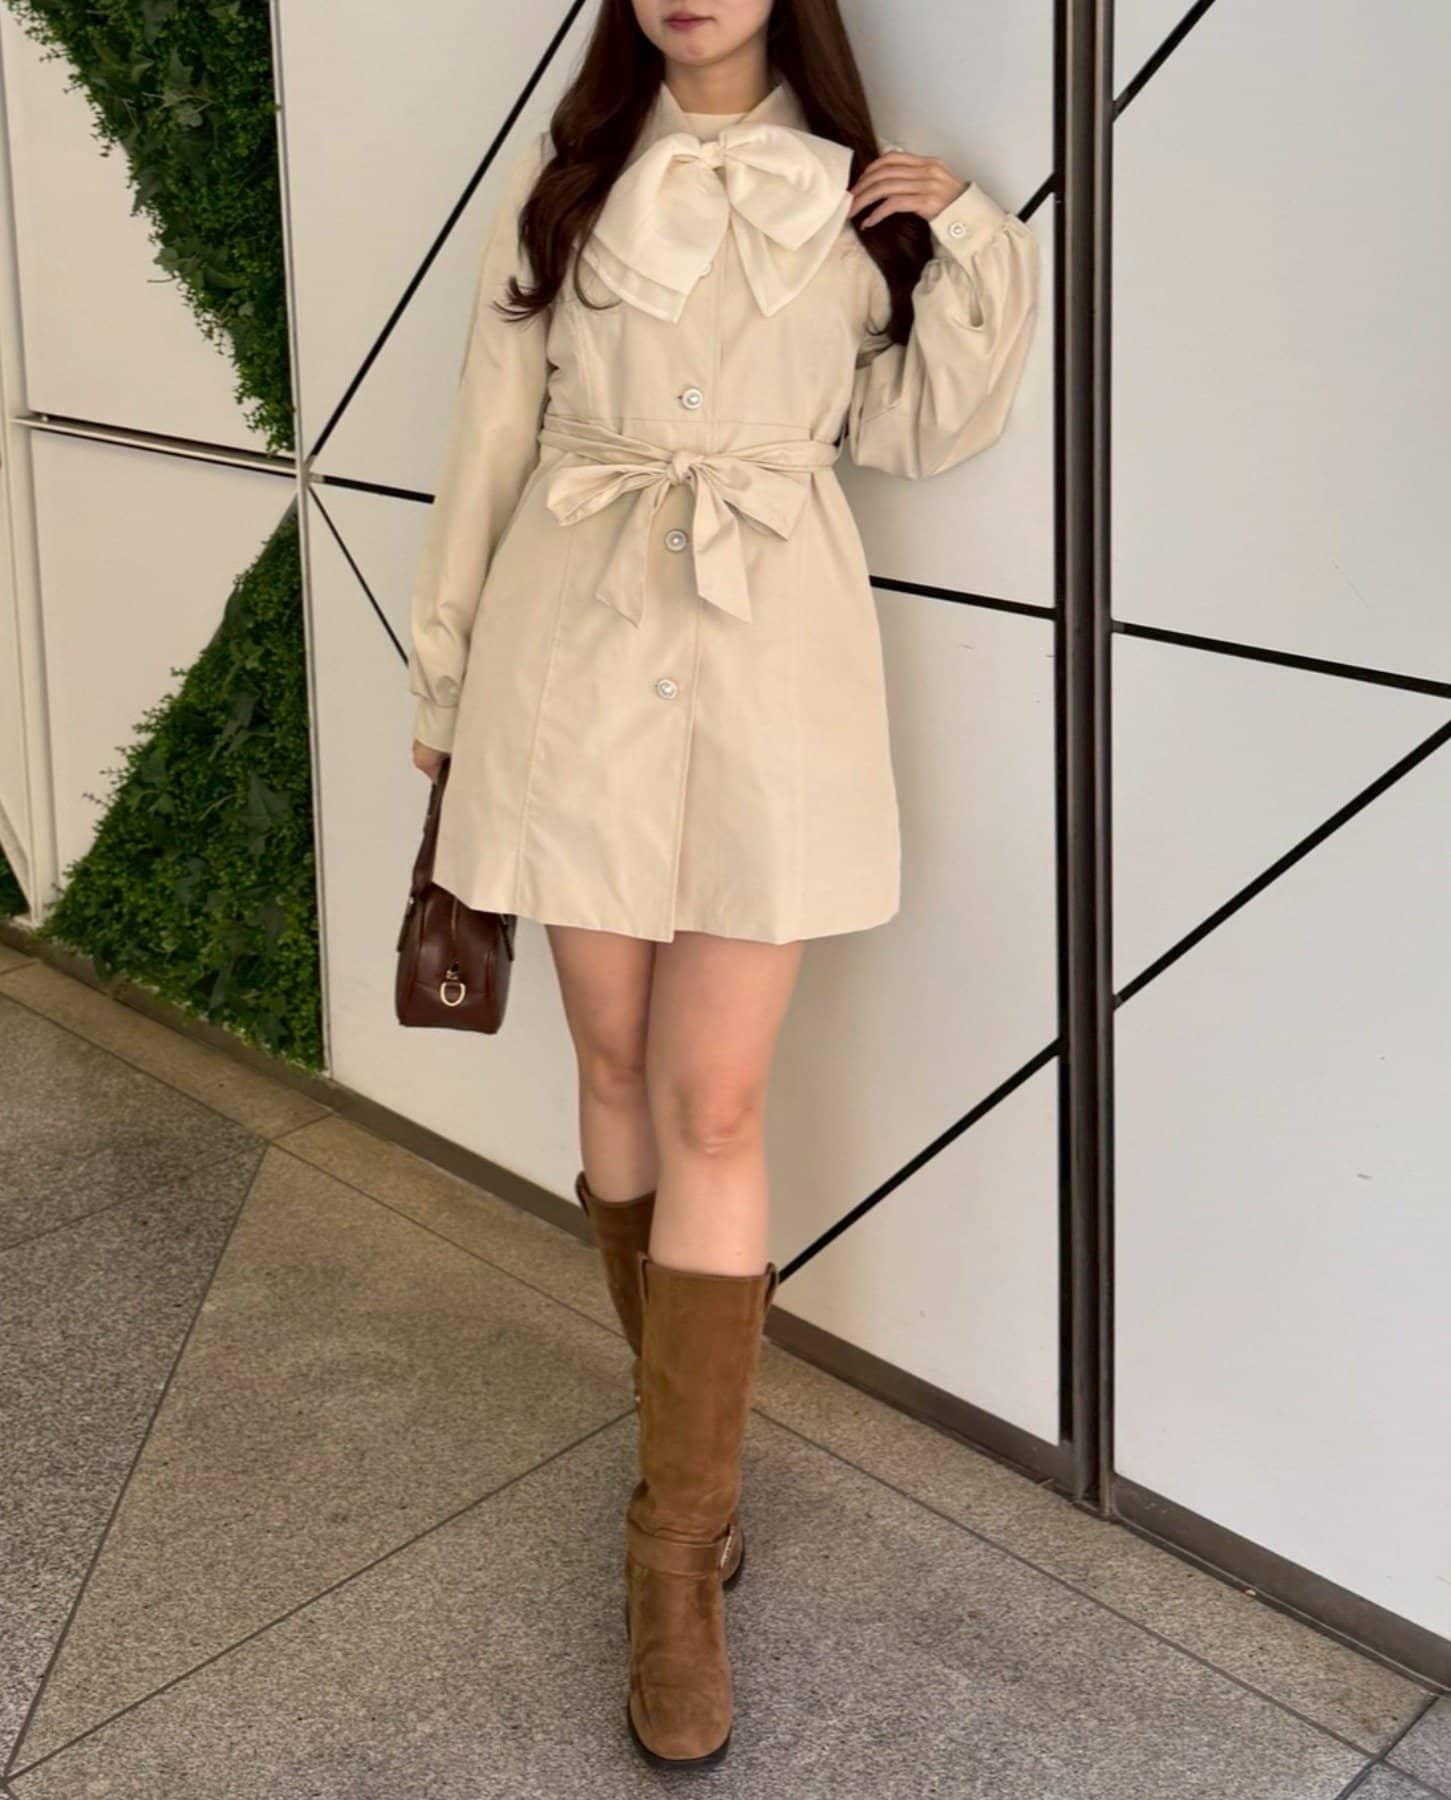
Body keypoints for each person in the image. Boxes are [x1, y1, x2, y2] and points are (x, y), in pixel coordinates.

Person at [407, 0, 1041, 1769]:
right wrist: (445, 687)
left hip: (773, 680)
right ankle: (675, 1455)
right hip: (575, 663)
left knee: (719, 1098)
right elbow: (488, 436)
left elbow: (920, 429)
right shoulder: (563, 186)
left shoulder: (854, 196)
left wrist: (971, 240)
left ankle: (673, 1556)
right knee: (613, 1067)